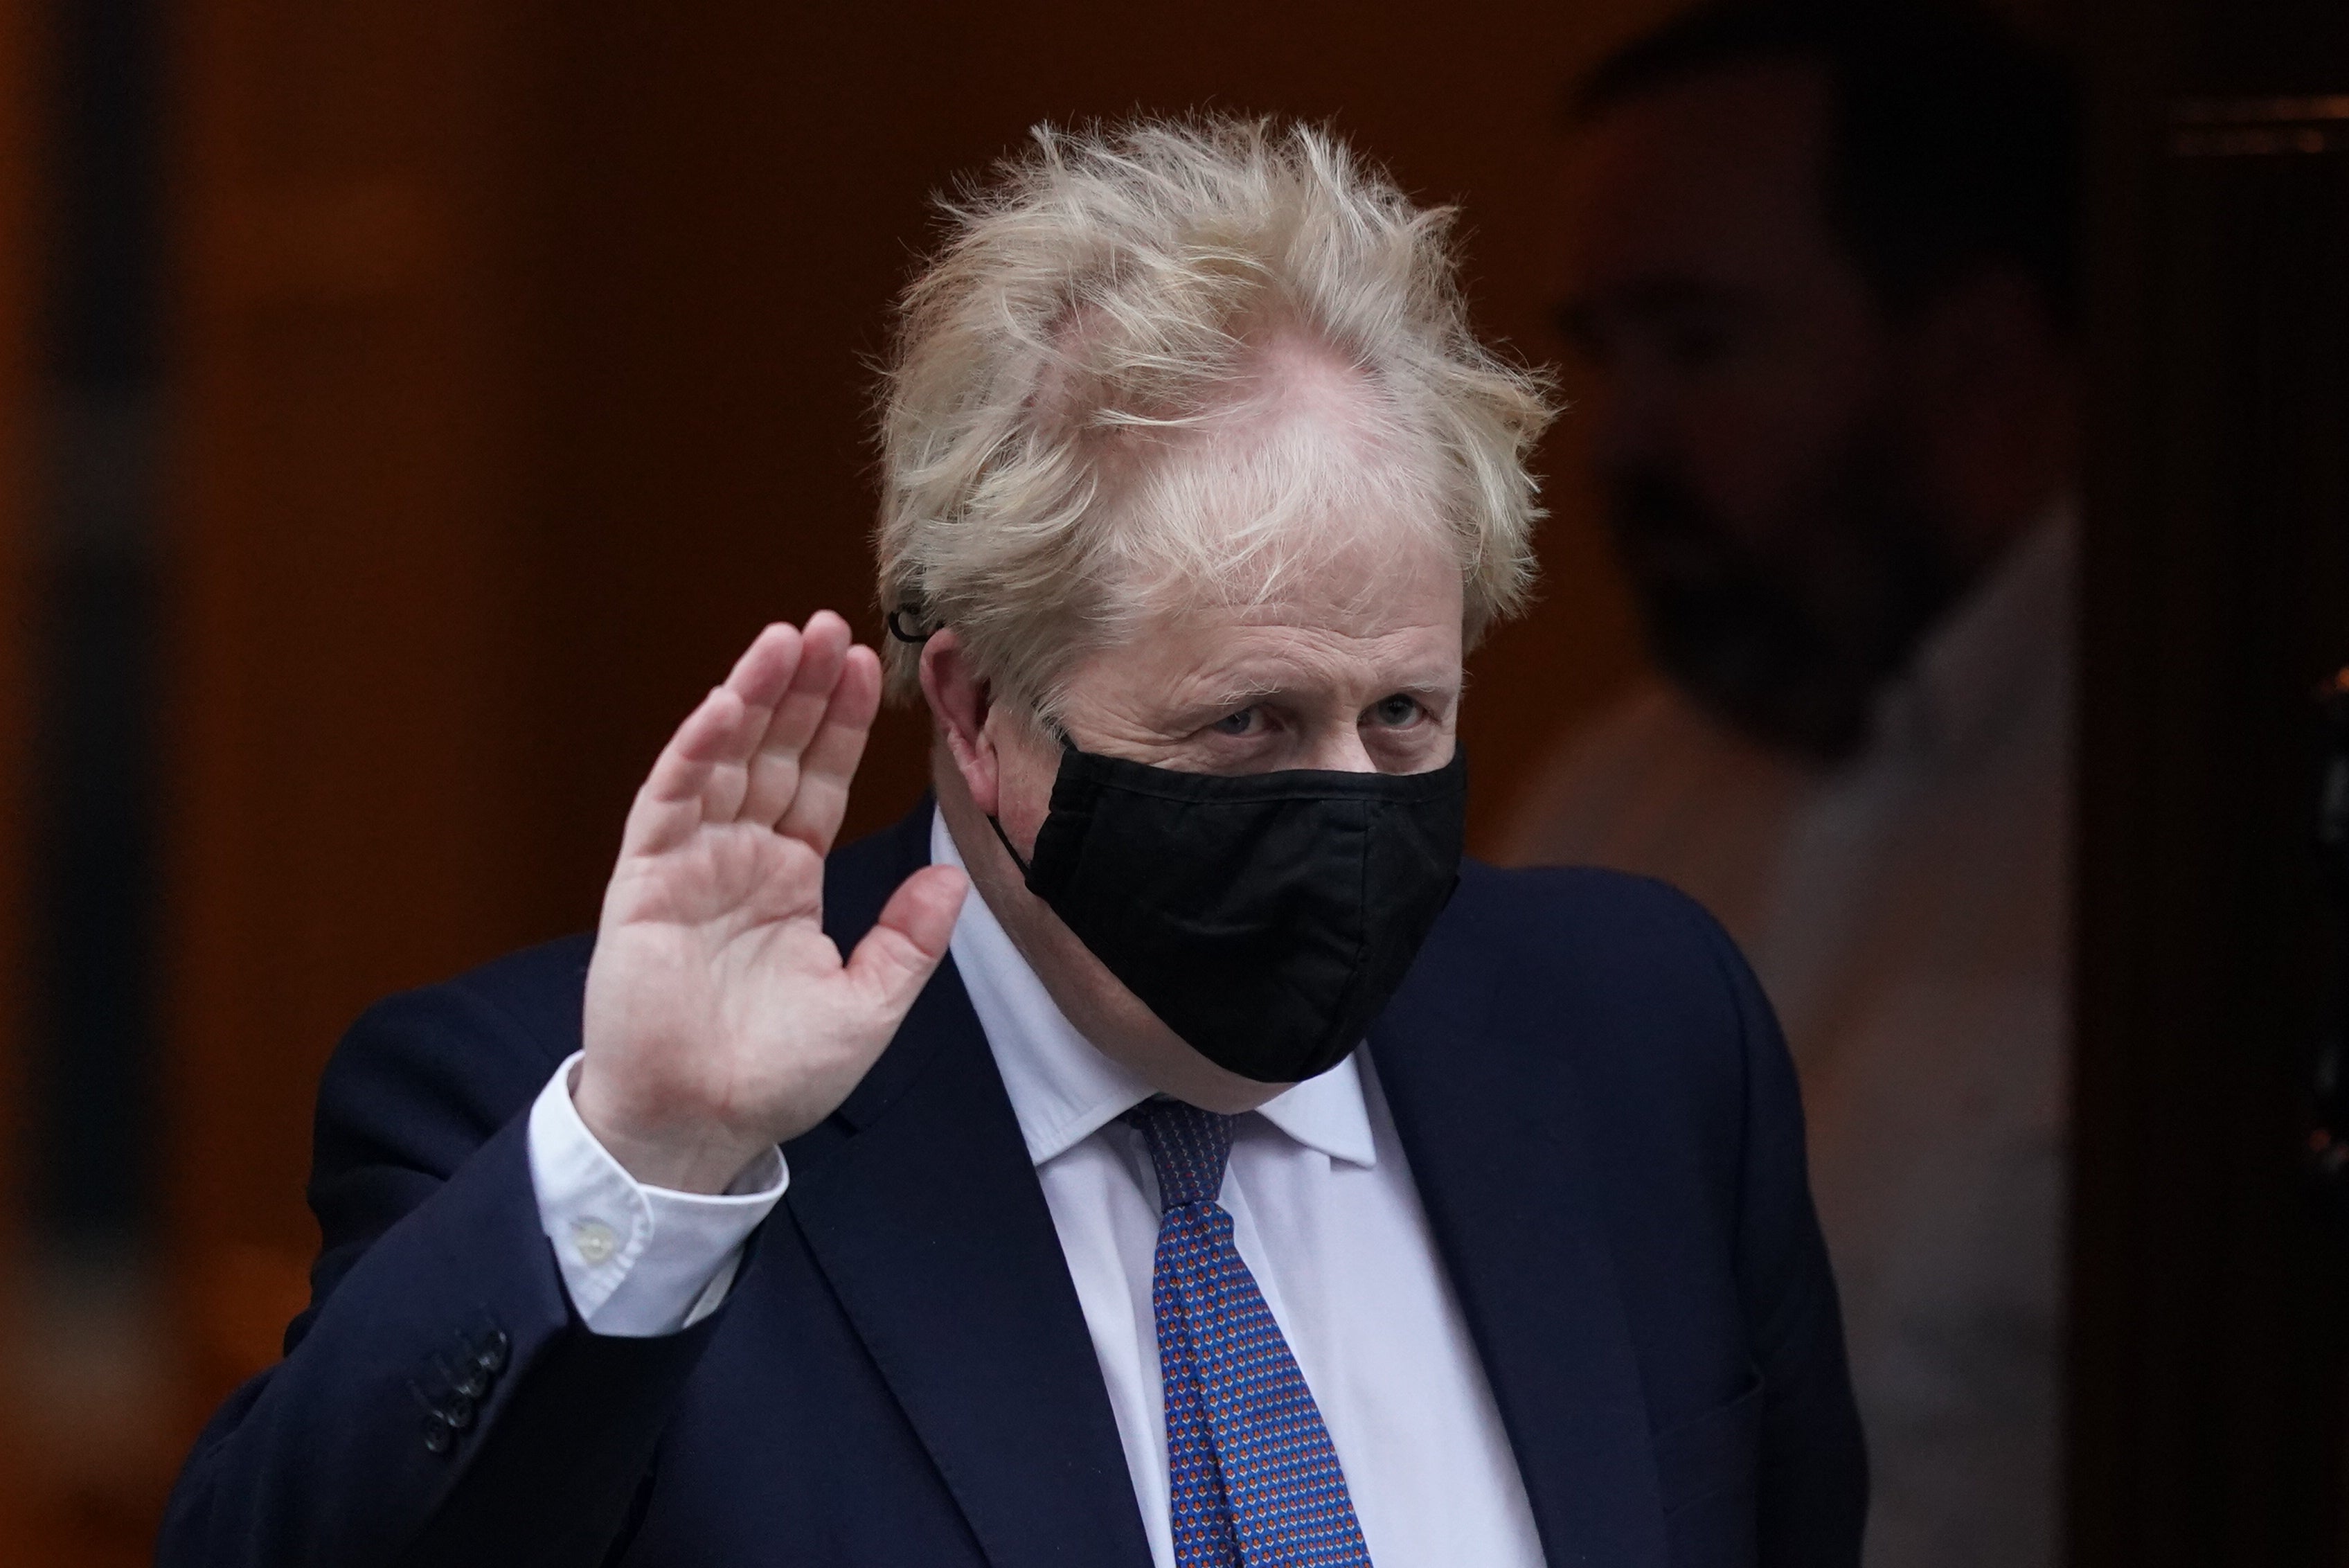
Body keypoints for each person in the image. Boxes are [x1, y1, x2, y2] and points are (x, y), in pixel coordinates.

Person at [160, 118, 1864, 1568]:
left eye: (1404, 717)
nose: (1349, 801)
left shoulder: (1639, 1039)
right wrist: (654, 1162)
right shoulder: (595, 1118)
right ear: (977, 712)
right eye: (1248, 727)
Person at [1505, 7, 2078, 1565]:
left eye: (1699, 342)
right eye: (1602, 351)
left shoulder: (2165, 819)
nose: (1614, 440)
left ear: (1976, 364)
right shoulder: (1600, 814)